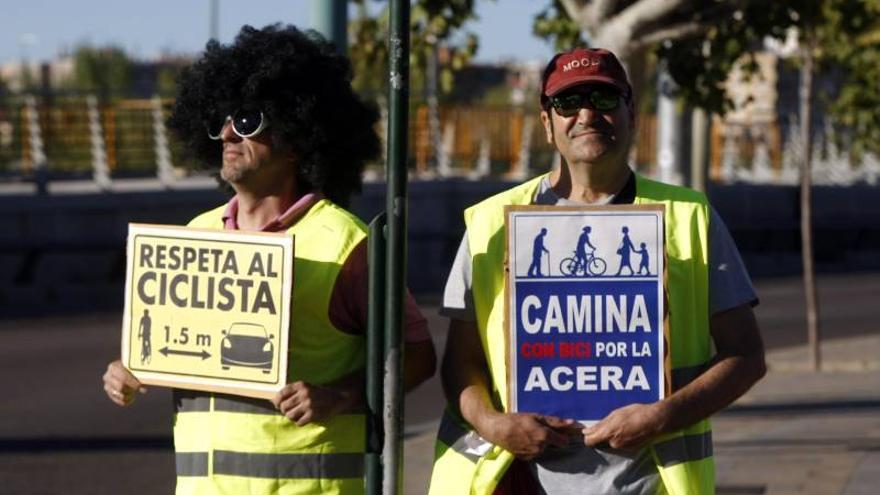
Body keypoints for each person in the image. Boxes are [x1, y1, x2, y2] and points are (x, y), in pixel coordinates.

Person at [102, 24, 436, 495]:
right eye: (220, 119)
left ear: (298, 134)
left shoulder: (346, 242)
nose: (225, 134)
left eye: (247, 121)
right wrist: (130, 370)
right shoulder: (197, 235)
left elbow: (418, 357)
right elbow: (175, 352)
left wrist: (341, 397)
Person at [431, 47, 765, 495]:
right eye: (569, 103)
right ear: (547, 122)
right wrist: (495, 425)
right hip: (517, 483)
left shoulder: (689, 216)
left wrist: (663, 416)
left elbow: (746, 357)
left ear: (630, 112)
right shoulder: (491, 224)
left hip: (649, 483)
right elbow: (460, 364)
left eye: (603, 99)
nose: (587, 113)